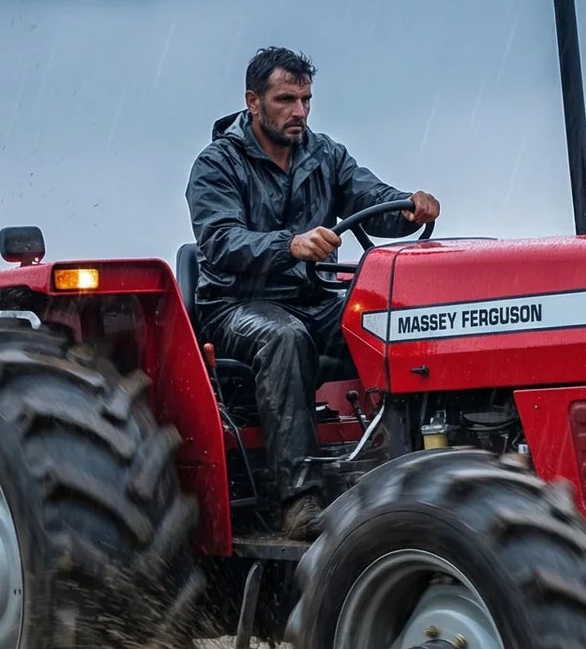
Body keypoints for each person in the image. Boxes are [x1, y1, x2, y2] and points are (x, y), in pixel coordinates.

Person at [187, 47, 440, 538]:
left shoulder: (324, 155)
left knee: (390, 320)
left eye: (306, 100)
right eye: (286, 99)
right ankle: (299, 500)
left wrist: (409, 206)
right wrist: (291, 245)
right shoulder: (216, 165)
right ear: (253, 102)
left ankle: (409, 466)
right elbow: (219, 244)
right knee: (284, 337)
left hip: (312, 298)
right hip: (235, 306)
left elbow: (372, 199)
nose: (299, 112)